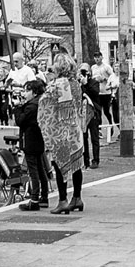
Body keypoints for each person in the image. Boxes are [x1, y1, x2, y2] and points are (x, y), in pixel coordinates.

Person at [37, 51, 85, 214]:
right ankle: (77, 198)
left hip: (61, 132)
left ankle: (63, 200)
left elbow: (46, 105)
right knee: (76, 165)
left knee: (60, 165)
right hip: (75, 130)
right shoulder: (76, 84)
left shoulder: (58, 84)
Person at [15, 79, 51, 210]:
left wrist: (17, 108)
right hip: (39, 140)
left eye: (27, 90)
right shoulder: (40, 103)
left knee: (33, 170)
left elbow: (20, 121)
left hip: (30, 141)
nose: (25, 93)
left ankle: (34, 199)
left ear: (34, 92)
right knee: (41, 169)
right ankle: (44, 197)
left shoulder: (31, 107)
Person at [80, 63, 102, 167]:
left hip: (93, 113)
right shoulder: (78, 84)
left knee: (94, 138)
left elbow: (94, 93)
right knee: (84, 138)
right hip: (83, 114)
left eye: (85, 72)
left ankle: (96, 159)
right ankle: (86, 160)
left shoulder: (94, 83)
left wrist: (86, 84)